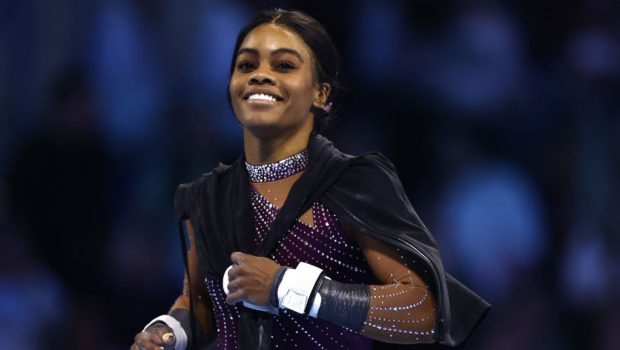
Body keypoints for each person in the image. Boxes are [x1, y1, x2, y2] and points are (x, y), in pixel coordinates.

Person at [131, 9, 489, 350]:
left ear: (321, 94)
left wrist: (285, 287)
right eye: (246, 65)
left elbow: (423, 310)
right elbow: (201, 306)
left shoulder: (354, 184)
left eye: (284, 65)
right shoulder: (207, 196)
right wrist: (168, 332)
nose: (260, 75)